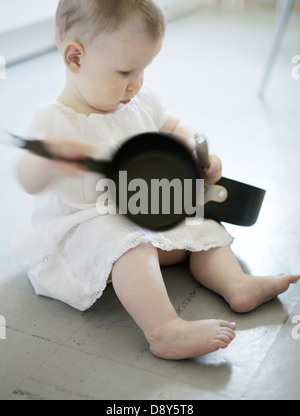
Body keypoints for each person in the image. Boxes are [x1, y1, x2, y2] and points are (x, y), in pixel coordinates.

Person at [12, 0, 299, 360]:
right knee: (130, 244)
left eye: (144, 69)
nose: (136, 84)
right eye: (125, 72)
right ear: (75, 58)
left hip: (143, 205)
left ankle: (235, 284)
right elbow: (27, 178)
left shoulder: (138, 101)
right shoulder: (55, 121)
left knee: (203, 222)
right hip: (86, 226)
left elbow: (175, 126)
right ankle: (164, 329)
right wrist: (49, 163)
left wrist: (199, 151)